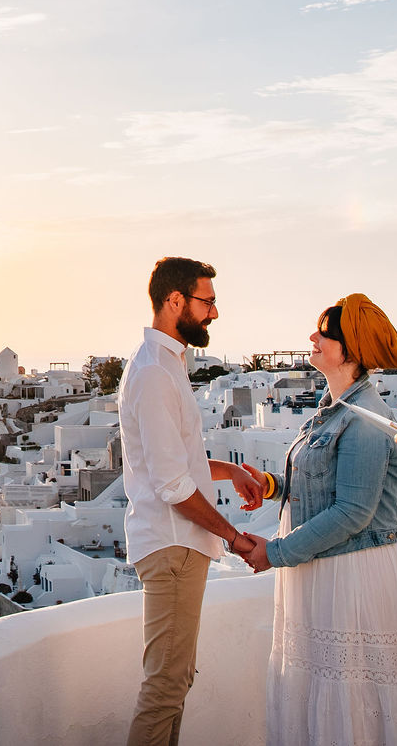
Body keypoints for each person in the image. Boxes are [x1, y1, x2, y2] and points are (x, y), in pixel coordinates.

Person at [234, 296, 397, 746]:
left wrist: (274, 553)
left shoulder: (367, 422)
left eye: (325, 331)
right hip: (323, 574)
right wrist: (269, 484)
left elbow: (353, 513)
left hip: (350, 579)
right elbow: (321, 488)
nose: (312, 338)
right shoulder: (333, 410)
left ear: (351, 349)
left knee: (348, 703)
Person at [119, 256, 264, 746]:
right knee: (164, 688)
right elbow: (172, 485)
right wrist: (234, 536)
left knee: (175, 682)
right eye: (208, 301)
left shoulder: (164, 365)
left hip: (176, 546)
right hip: (174, 545)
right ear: (174, 301)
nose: (214, 314)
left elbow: (175, 461)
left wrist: (231, 471)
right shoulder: (156, 372)